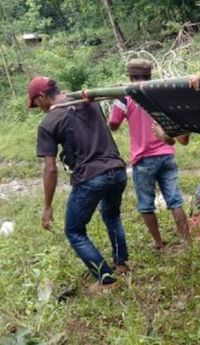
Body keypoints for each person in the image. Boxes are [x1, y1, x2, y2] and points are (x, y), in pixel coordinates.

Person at [30, 76, 129, 293]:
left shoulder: (48, 123)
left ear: (41, 96)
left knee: (74, 230)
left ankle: (106, 279)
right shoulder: (88, 102)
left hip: (92, 177)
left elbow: (50, 168)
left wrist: (47, 206)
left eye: (36, 103)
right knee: (112, 215)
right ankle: (121, 264)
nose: (38, 109)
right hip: (118, 170)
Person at [109, 59, 191, 250]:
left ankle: (158, 242)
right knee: (175, 200)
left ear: (129, 76)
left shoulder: (125, 96)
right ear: (150, 75)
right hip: (167, 153)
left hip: (143, 158)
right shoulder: (160, 94)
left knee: (146, 204)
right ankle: (187, 241)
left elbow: (113, 125)